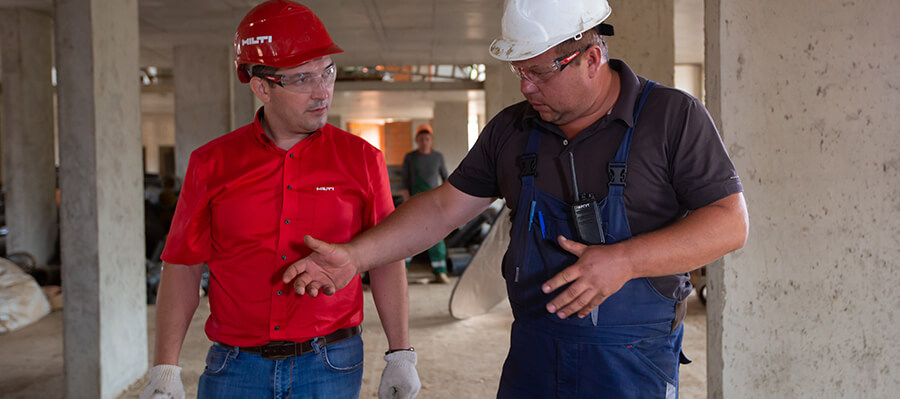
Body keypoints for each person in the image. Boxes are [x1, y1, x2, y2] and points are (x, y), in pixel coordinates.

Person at [282, 0, 749, 398]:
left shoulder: (671, 117)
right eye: (519, 71)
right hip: (533, 354)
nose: (526, 87)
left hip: (632, 360)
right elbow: (444, 208)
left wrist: (625, 260)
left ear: (591, 58)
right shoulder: (512, 129)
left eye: (539, 72)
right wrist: (354, 255)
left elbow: (730, 222)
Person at [141, 1, 420, 398]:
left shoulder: (361, 160)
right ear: (261, 87)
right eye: (303, 79)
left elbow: (387, 258)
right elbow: (184, 266)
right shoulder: (211, 163)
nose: (322, 91)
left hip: (330, 363)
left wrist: (400, 354)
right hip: (235, 367)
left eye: (327, 72)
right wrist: (165, 369)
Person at [400, 124, 450, 284]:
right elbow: (404, 183)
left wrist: (445, 201)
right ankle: (402, 272)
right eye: (421, 139)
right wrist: (407, 204)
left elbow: (446, 179)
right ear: (417, 140)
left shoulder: (438, 157)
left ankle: (440, 272)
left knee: (436, 237)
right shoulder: (410, 157)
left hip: (433, 203)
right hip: (415, 202)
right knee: (409, 236)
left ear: (431, 140)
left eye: (427, 139)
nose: (424, 142)